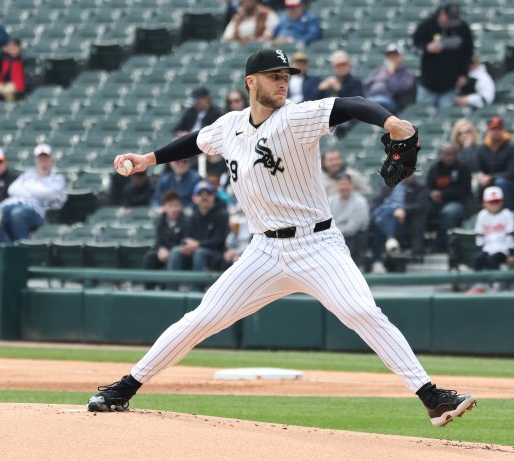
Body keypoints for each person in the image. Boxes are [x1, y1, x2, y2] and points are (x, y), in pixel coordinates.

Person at [89, 47, 476, 427]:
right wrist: (148, 159)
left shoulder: (296, 118)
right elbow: (196, 141)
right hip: (265, 251)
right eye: (275, 77)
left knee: (361, 312)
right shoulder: (229, 126)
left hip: (317, 245)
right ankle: (124, 388)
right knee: (201, 318)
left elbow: (351, 103)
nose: (283, 84)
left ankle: (432, 398)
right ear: (250, 82)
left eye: (287, 77)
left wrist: (391, 122)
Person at [166, 181, 230, 291]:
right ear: (194, 198)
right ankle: (170, 291)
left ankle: (195, 291)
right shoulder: (192, 216)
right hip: (195, 253)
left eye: (208, 193)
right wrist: (186, 246)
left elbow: (220, 241)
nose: (204, 197)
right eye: (200, 194)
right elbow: (186, 237)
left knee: (200, 253)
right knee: (176, 251)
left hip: (215, 254)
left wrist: (198, 245)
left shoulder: (222, 215)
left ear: (213, 197)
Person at [0, 144, 66, 243]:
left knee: (18, 213)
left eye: (46, 159)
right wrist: (36, 191)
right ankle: (8, 247)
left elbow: (50, 195)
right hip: (13, 203)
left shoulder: (57, 178)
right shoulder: (28, 174)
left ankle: (22, 247)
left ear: (52, 160)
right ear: (36, 161)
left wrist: (27, 188)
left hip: (38, 211)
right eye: (41, 159)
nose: (43, 162)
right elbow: (12, 189)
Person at [411, 3, 474, 111]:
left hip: (450, 86)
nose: (451, 24)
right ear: (442, 14)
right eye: (449, 19)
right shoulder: (427, 25)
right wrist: (426, 48)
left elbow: (468, 53)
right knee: (423, 118)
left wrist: (464, 74)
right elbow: (412, 46)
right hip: (428, 85)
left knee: (446, 118)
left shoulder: (462, 28)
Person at [370, 175, 428, 273]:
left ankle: (378, 261)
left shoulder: (419, 187)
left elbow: (420, 205)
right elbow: (376, 201)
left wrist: (404, 209)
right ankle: (390, 238)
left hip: (404, 220)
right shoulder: (389, 185)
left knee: (379, 222)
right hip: (385, 214)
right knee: (383, 214)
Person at [466, 186, 514, 294]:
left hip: (503, 249)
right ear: (484, 203)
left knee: (492, 260)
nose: (494, 204)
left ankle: (496, 285)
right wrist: (480, 248)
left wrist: (511, 254)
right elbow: (479, 236)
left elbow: (510, 236)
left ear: (502, 201)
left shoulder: (507, 214)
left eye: (497, 201)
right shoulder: (482, 215)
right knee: (477, 258)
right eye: (491, 202)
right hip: (487, 247)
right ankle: (479, 284)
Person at [426, 143, 472, 252]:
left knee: (449, 213)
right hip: (436, 202)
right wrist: (432, 194)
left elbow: (465, 190)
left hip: (457, 202)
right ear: (441, 155)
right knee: (422, 209)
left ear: (456, 155)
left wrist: (443, 195)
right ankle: (422, 244)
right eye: (446, 154)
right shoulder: (434, 169)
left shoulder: (463, 169)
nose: (449, 157)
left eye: (452, 154)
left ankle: (444, 244)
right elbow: (427, 188)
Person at [476, 116, 514, 211]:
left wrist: (491, 178)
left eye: (499, 129)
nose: (496, 132)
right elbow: (480, 168)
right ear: (488, 131)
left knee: (500, 182)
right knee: (481, 184)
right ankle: (482, 213)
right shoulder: (482, 148)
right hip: (489, 182)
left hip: (511, 184)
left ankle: (506, 212)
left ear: (504, 130)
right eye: (493, 129)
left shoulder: (512, 146)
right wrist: (480, 175)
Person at [143, 190, 188, 289]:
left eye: (176, 205)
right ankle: (148, 289)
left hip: (179, 254)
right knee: (149, 257)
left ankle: (168, 288)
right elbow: (158, 240)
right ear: (164, 207)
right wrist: (160, 250)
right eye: (170, 206)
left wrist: (171, 252)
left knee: (173, 257)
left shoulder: (185, 221)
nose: (173, 209)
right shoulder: (160, 221)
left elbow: (185, 241)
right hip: (164, 253)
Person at [329, 173, 370, 271]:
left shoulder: (360, 202)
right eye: (341, 184)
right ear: (336, 186)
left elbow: (353, 228)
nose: (344, 187)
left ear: (352, 186)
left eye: (346, 184)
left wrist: (335, 234)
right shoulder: (330, 201)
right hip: (332, 235)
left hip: (352, 237)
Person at [362, 43, 416, 114]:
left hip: (390, 101)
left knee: (372, 103)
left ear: (401, 56)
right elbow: (366, 84)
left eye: (395, 55)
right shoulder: (380, 69)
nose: (392, 58)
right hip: (371, 97)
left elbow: (399, 90)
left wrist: (391, 73)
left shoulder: (406, 73)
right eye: (390, 55)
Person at [0, 38, 25, 103]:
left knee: (7, 91)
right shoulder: (5, 58)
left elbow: (25, 57)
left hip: (17, 82)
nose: (12, 48)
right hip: (4, 82)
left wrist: (20, 51)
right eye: (10, 46)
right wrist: (3, 50)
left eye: (14, 46)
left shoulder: (21, 58)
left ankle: (10, 106)